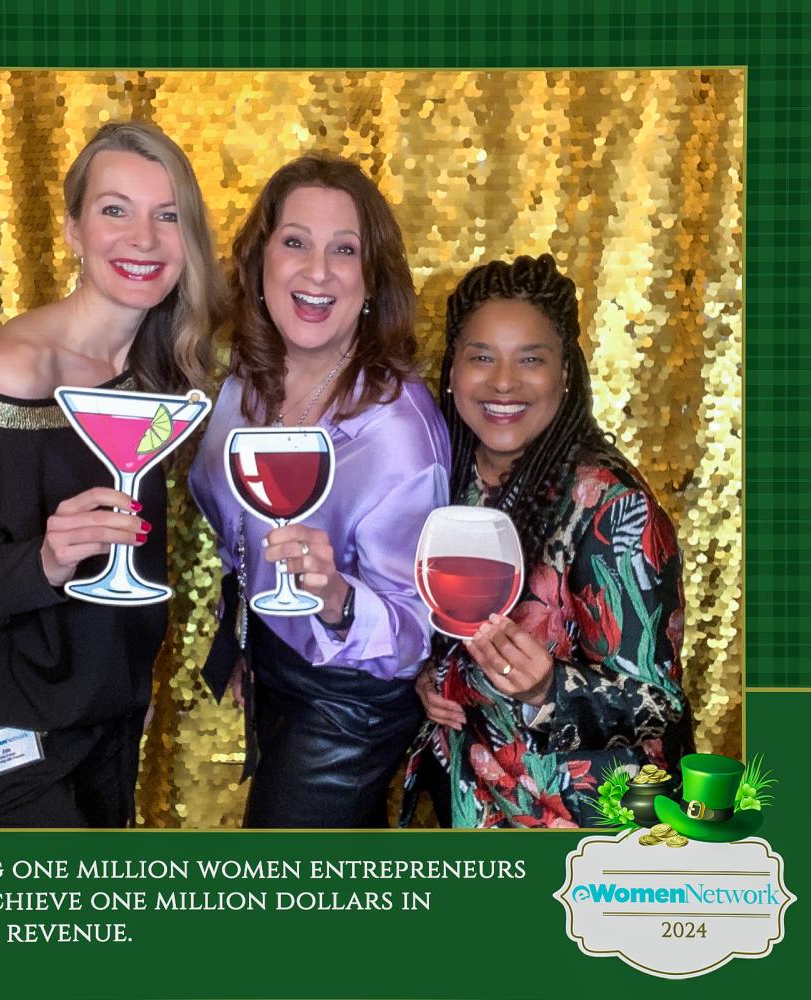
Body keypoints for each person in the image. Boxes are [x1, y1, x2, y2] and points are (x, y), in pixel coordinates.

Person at [0, 121, 223, 828]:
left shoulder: (152, 372)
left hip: (105, 719)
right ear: (73, 230)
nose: (143, 238)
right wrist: (39, 561)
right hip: (2, 724)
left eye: (167, 216)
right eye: (115, 210)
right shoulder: (16, 370)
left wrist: (125, 679)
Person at [190, 155, 450, 828]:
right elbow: (234, 529)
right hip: (275, 665)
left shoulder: (398, 431)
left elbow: (413, 635)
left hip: (349, 701)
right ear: (261, 263)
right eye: (295, 242)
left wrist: (335, 597)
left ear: (371, 281)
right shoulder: (245, 383)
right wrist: (249, 632)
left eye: (345, 250)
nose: (317, 271)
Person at [403, 253, 694, 829]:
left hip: (584, 826)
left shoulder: (611, 507)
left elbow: (660, 705)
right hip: (470, 805)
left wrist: (549, 688)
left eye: (530, 359)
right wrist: (431, 680)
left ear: (565, 374)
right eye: (481, 357)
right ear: (452, 370)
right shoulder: (444, 480)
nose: (503, 381)